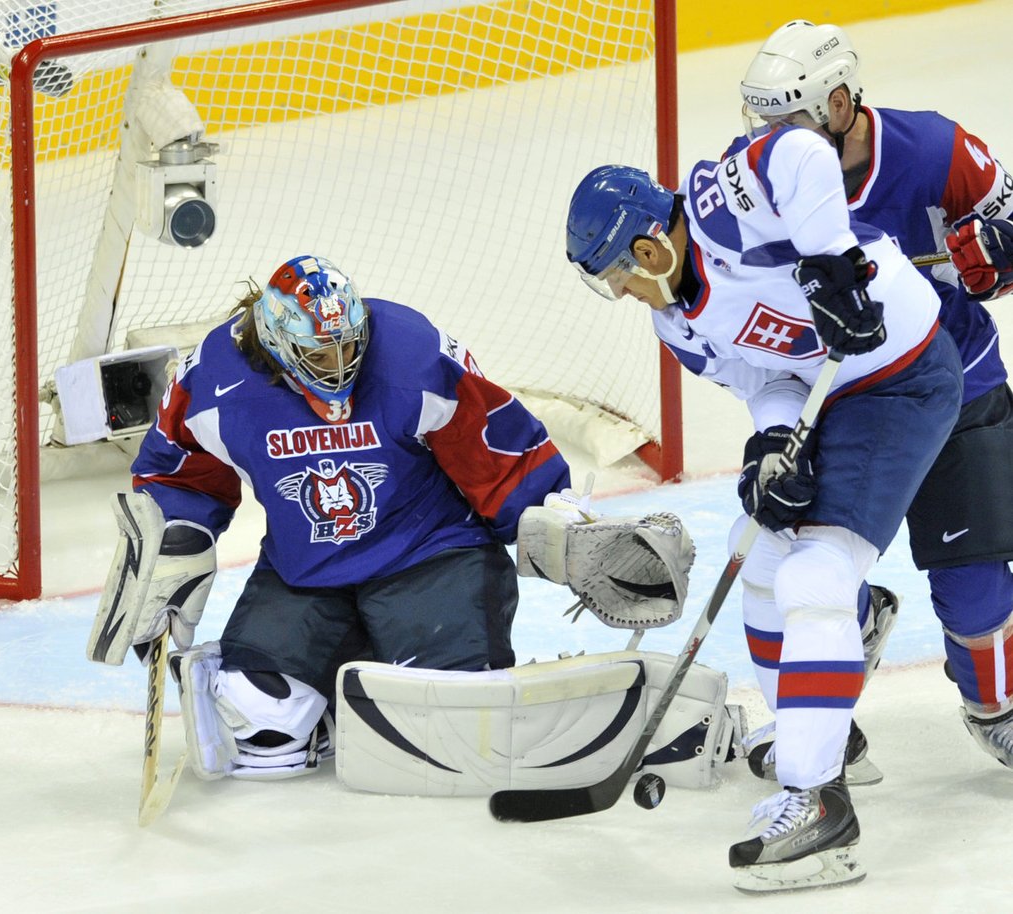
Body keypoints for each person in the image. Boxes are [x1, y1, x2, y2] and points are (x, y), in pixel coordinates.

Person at [565, 128, 963, 889]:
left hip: (904, 377)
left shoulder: (719, 213)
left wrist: (827, 266)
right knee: (760, 549)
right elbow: (767, 379)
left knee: (817, 575)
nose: (621, 294)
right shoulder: (675, 322)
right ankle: (822, 741)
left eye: (617, 276)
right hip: (834, 395)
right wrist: (772, 444)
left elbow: (802, 153)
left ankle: (816, 807)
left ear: (648, 249)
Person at [88, 254, 576, 780]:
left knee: (450, 730)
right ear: (278, 345)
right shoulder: (213, 381)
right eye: (321, 353)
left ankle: (382, 674)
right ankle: (326, 713)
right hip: (306, 573)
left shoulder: (413, 354)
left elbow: (493, 447)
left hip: (428, 556)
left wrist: (559, 527)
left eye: (348, 344)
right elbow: (179, 473)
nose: (341, 362)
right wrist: (174, 545)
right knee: (260, 730)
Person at [734, 19, 1013, 775]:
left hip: (960, 377)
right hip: (846, 394)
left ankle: (997, 703)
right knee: (805, 569)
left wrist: (996, 255)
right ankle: (846, 644)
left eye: (788, 120)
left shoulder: (934, 151)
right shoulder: (756, 178)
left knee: (974, 584)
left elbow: (1007, 239)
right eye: (761, 121)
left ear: (842, 100)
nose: (770, 138)